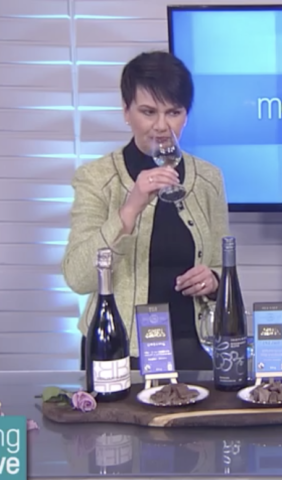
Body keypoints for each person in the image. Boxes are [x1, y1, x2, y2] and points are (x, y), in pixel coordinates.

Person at [62, 51, 229, 370]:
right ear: (126, 111)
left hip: (191, 345)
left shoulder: (209, 179)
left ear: (186, 115)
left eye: (174, 112)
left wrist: (214, 279)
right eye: (148, 112)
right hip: (118, 347)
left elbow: (222, 264)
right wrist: (130, 208)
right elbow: (78, 277)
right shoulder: (96, 179)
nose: (162, 126)